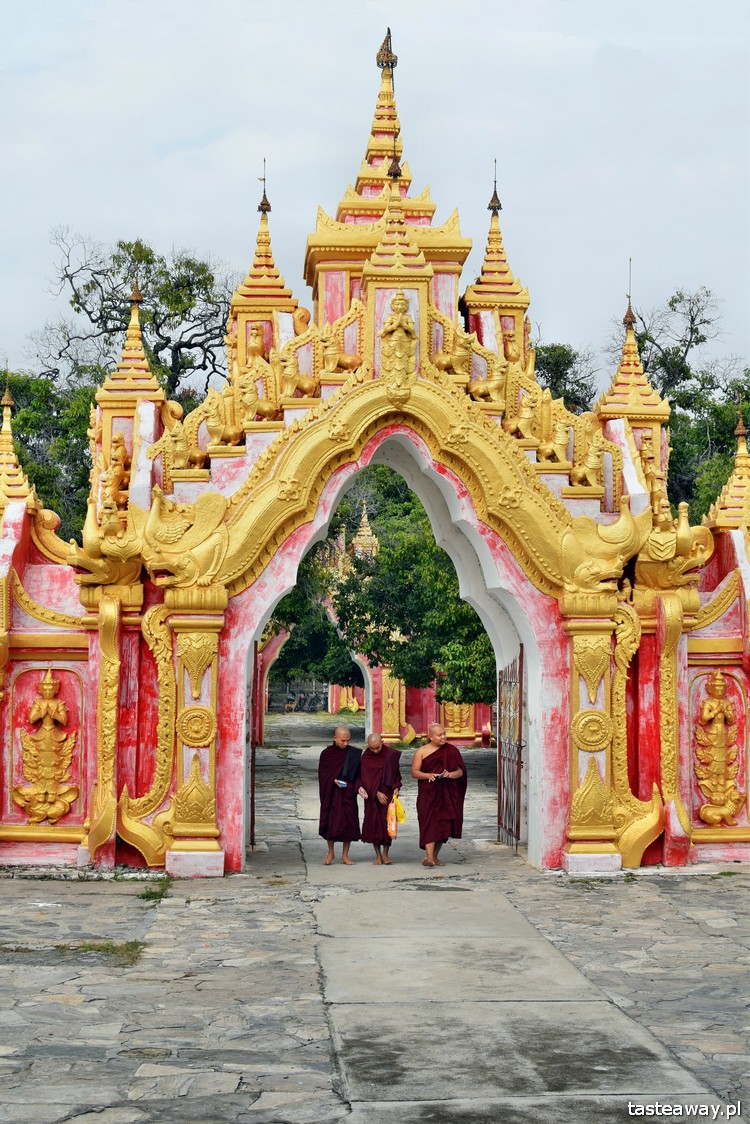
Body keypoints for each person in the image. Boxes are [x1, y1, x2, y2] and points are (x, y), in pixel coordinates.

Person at [411, 722, 468, 867]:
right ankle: (429, 857)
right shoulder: (421, 752)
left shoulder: (452, 751)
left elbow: (461, 772)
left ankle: (434, 857)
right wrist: (428, 775)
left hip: (447, 794)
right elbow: (414, 772)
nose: (443, 737)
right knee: (429, 824)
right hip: (428, 794)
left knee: (443, 825)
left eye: (444, 734)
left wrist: (450, 774)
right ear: (430, 737)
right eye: (439, 735)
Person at [318, 725, 366, 865]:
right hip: (332, 793)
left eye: (348, 740)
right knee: (331, 822)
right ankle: (331, 852)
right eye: (342, 741)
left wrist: (359, 787)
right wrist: (333, 780)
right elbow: (323, 775)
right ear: (335, 738)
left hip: (348, 793)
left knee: (348, 823)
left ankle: (345, 855)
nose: (346, 744)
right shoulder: (326, 754)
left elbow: (358, 775)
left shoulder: (354, 753)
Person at [359, 733, 403, 865]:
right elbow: (364, 778)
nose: (375, 751)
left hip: (388, 794)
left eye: (377, 748)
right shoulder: (366, 757)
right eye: (372, 748)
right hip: (372, 797)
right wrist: (376, 793)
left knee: (388, 824)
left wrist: (396, 787)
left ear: (382, 742)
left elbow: (396, 774)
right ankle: (377, 855)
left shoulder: (391, 754)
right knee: (374, 825)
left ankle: (386, 854)